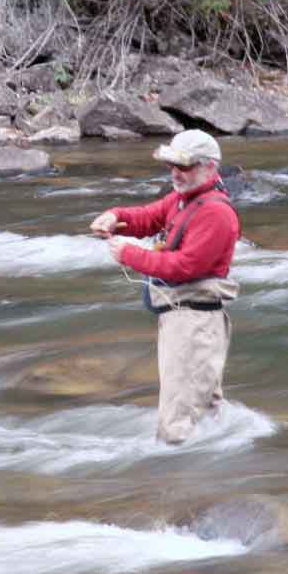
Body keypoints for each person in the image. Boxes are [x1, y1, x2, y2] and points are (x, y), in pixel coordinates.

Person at [89, 129, 240, 443]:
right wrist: (115, 216)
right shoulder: (186, 199)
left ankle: (178, 483)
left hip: (194, 326)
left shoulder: (216, 213)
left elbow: (185, 267)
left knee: (178, 420)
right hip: (185, 321)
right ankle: (211, 478)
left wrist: (130, 254)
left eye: (184, 166)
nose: (175, 173)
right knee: (204, 411)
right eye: (172, 165)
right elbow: (149, 217)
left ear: (209, 168)